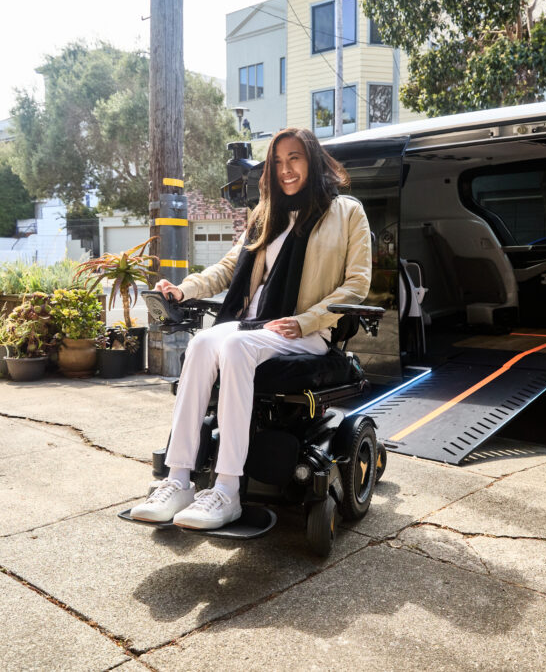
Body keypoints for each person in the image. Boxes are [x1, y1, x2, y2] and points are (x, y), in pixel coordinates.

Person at [130, 127, 372, 530]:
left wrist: (304, 320)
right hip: (254, 324)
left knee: (236, 348)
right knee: (205, 342)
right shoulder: (265, 215)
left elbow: (357, 283)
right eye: (277, 161)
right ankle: (179, 481)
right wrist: (183, 289)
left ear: (311, 160)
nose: (285, 169)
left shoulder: (346, 212)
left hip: (306, 333)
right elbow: (228, 268)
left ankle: (227, 490)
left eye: (294, 158)